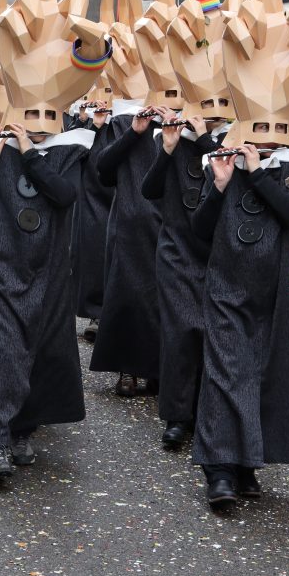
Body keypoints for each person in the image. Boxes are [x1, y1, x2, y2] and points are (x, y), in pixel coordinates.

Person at [192, 143, 289, 510]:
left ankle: (247, 463)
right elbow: (200, 229)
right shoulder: (221, 163)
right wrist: (220, 185)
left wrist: (257, 174)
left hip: (277, 290)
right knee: (225, 372)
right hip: (226, 287)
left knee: (266, 374)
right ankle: (219, 469)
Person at [0, 122, 90, 480]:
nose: (36, 122)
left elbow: (65, 195)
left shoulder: (69, 150)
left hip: (48, 272)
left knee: (40, 353)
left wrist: (30, 154)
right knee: (1, 352)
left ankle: (22, 431)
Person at [140, 110, 223, 448]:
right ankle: (177, 416)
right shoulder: (169, 138)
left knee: (212, 334)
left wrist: (205, 140)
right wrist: (168, 149)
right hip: (176, 249)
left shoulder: (233, 140)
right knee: (180, 332)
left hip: (218, 254)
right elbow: (149, 189)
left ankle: (206, 412)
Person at [89, 105, 162, 397]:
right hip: (129, 221)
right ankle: (126, 368)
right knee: (127, 294)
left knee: (162, 300)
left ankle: (158, 369)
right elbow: (104, 168)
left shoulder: (185, 121)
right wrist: (134, 132)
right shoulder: (124, 121)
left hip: (170, 224)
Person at [68, 91, 114, 342]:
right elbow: (73, 153)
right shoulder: (89, 115)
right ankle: (97, 312)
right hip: (94, 190)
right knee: (95, 246)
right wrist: (90, 124)